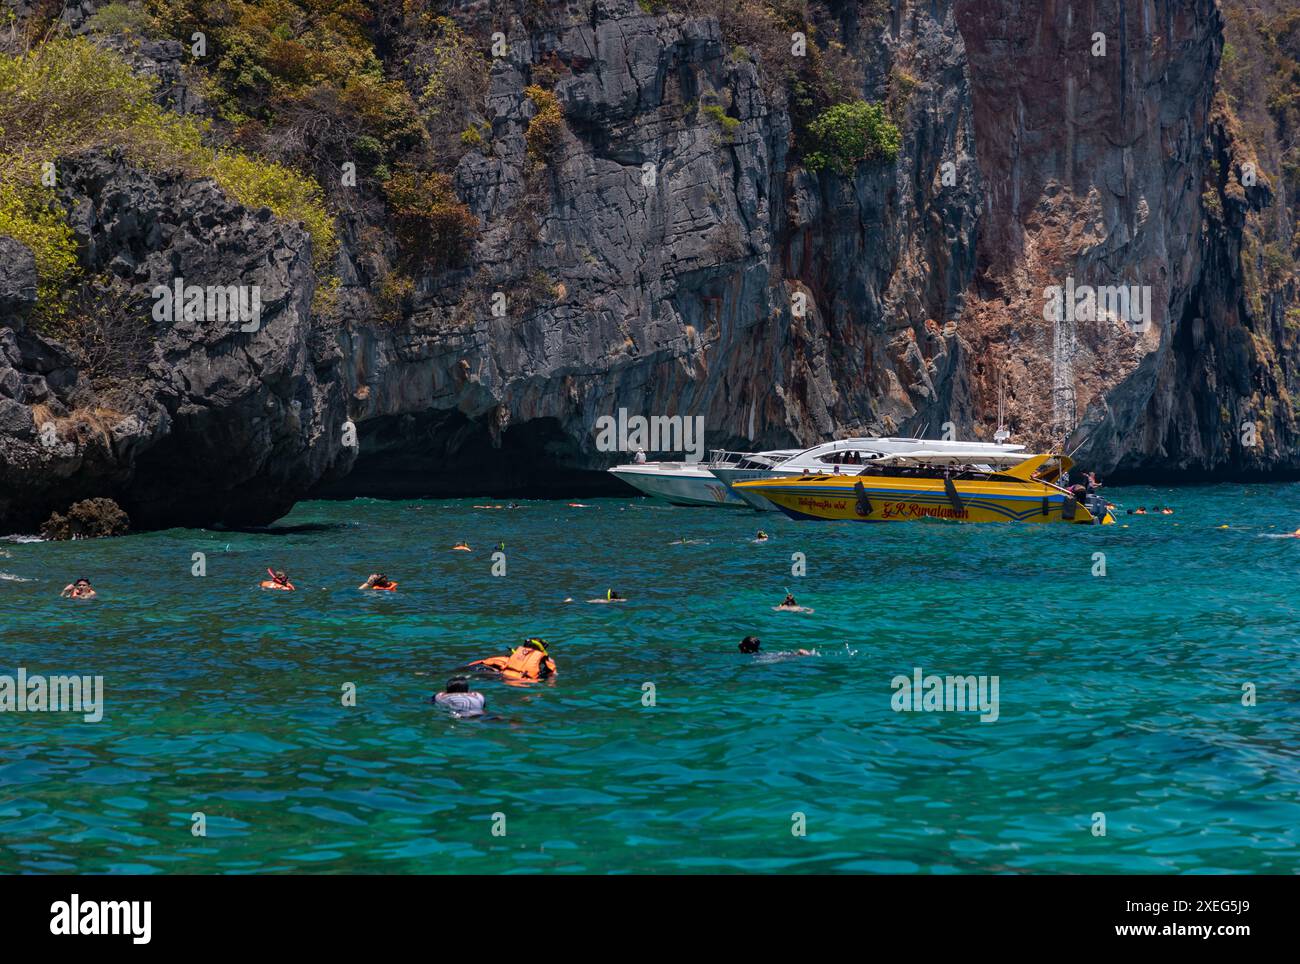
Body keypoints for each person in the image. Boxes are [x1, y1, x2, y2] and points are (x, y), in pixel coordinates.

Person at [469, 637, 557, 681]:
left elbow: (486, 662)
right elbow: (552, 677)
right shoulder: (546, 663)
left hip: (500, 676)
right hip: (522, 682)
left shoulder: (509, 659)